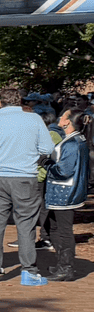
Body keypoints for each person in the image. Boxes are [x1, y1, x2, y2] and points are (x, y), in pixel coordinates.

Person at [0, 88, 56, 284]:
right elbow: (47, 148)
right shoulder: (34, 120)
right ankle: (28, 270)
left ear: (0, 103)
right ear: (21, 102)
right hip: (25, 177)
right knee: (26, 224)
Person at [43, 110, 88, 282]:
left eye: (63, 116)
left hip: (63, 192)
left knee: (63, 231)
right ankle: (63, 263)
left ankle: (66, 267)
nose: (60, 118)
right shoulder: (78, 139)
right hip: (68, 191)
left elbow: (64, 170)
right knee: (55, 227)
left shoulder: (71, 143)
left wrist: (47, 164)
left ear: (68, 122)